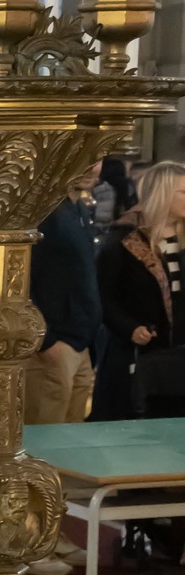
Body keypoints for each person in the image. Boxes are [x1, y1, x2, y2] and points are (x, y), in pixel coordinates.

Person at [94, 160, 185, 421]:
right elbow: (102, 295)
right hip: (136, 354)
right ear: (164, 193)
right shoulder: (124, 239)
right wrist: (130, 327)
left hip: (178, 355)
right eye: (184, 192)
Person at [25, 171, 101, 426]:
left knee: (71, 447)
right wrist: (45, 342)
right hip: (53, 346)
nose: (93, 166)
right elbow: (19, 280)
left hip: (80, 344)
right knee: (44, 446)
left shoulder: (77, 208)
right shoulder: (41, 211)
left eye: (98, 156)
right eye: (83, 155)